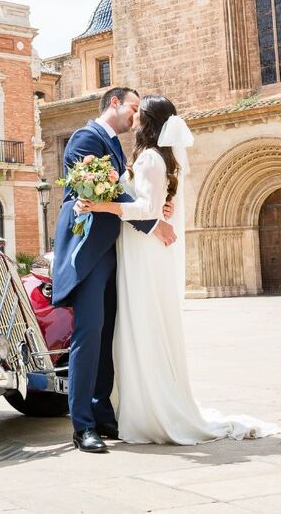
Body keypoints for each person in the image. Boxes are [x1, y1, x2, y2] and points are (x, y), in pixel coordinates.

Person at [77, 95, 281, 445]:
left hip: (142, 250)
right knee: (140, 322)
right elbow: (152, 203)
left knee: (143, 321)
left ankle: (152, 405)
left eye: (140, 113)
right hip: (140, 249)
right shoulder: (155, 157)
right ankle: (141, 401)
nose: (134, 116)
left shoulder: (151, 158)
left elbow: (143, 208)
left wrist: (102, 204)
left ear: (150, 122)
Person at [51, 87, 176, 454]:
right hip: (88, 252)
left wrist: (156, 208)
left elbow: (128, 193)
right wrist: (153, 223)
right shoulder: (84, 138)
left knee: (107, 335)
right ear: (114, 103)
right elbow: (108, 196)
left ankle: (102, 412)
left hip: (113, 253)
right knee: (88, 336)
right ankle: (82, 426)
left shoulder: (116, 147)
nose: (136, 117)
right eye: (133, 108)